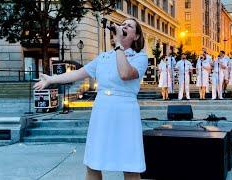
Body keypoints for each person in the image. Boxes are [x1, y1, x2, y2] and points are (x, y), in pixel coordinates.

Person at [33, 18, 148, 180]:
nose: (123, 27)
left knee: (130, 165)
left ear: (136, 36)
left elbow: (125, 74)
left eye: (128, 26)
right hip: (102, 110)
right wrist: (51, 79)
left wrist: (118, 45)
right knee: (94, 163)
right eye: (122, 25)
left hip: (125, 112)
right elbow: (78, 74)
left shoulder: (140, 58)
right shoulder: (103, 57)